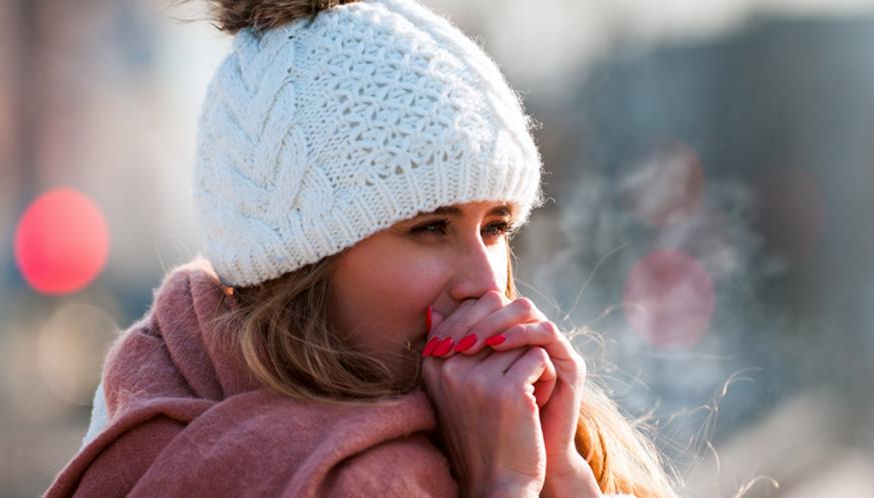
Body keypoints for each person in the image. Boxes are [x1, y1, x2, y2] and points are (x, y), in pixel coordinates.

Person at [46, 0, 677, 496]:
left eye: (496, 228)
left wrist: (564, 478)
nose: (486, 283)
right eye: (430, 227)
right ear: (299, 267)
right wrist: (503, 487)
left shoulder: (549, 436)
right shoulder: (198, 461)